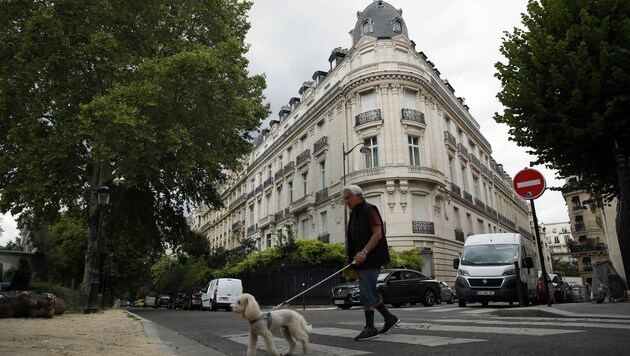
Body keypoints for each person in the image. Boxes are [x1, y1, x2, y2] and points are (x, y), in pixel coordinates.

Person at [343, 184, 399, 341]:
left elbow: (377, 234)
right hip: (361, 259)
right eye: (345, 198)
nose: (346, 201)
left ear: (358, 196)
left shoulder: (370, 209)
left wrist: (364, 252)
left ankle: (372, 327)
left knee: (367, 290)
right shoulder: (354, 214)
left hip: (371, 258)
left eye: (348, 198)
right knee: (367, 290)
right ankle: (388, 319)